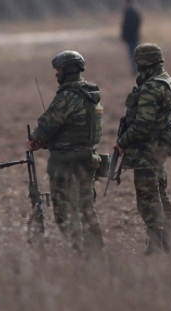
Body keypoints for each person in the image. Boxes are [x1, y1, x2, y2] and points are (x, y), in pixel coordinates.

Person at [28, 50, 105, 253]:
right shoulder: (91, 95)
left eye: (59, 70)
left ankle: (78, 253)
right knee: (86, 208)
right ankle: (96, 253)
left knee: (65, 212)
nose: (57, 74)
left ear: (68, 70)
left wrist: (36, 140)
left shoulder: (68, 96)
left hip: (66, 162)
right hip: (88, 159)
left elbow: (46, 127)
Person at [115, 43, 171, 254]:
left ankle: (157, 242)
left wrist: (123, 141)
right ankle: (167, 238)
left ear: (144, 63)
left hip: (147, 149)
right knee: (160, 192)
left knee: (147, 197)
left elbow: (143, 124)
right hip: (160, 146)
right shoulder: (169, 82)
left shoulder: (151, 87)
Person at [120, 0, 142, 75]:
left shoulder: (129, 12)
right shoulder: (135, 10)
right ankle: (136, 70)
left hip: (131, 37)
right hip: (135, 36)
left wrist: (124, 36)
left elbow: (126, 25)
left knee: (133, 54)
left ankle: (135, 70)